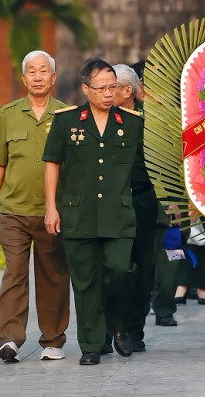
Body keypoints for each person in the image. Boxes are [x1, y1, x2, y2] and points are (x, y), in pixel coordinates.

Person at [43, 58, 143, 365]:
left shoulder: (133, 123)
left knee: (119, 271)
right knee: (84, 282)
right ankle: (90, 344)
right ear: (86, 89)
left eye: (113, 87)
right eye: (101, 88)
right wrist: (51, 208)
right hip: (78, 214)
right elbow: (52, 164)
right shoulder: (66, 121)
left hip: (118, 215)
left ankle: (118, 325)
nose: (108, 94)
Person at [0, 50, 70, 363]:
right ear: (23, 78)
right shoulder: (7, 114)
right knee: (14, 272)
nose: (37, 76)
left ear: (53, 77)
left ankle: (53, 340)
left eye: (43, 71)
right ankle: (9, 338)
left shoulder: (67, 115)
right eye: (31, 71)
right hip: (13, 211)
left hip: (52, 213)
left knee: (53, 276)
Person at [105, 63, 160, 352]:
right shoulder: (98, 120)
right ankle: (107, 328)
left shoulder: (151, 124)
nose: (105, 92)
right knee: (111, 267)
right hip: (107, 203)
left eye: (111, 87)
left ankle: (134, 328)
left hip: (142, 200)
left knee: (141, 266)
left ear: (127, 91)